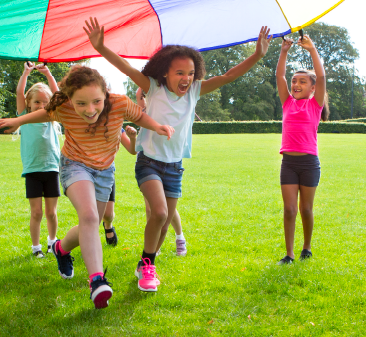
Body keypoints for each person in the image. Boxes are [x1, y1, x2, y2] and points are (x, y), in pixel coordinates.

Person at [85, 17, 270, 291]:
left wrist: (257, 55)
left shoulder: (194, 91)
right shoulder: (153, 88)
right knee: (158, 213)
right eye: (180, 72)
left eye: (191, 72)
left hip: (174, 167)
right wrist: (101, 47)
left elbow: (229, 76)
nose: (186, 78)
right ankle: (149, 264)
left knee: (162, 225)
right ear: (165, 74)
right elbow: (124, 66)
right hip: (149, 162)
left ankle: (146, 264)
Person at [0, 66, 173, 308]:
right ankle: (97, 281)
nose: (90, 110)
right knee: (88, 216)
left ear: (105, 94)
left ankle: (60, 249)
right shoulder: (64, 108)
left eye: (96, 101)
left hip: (104, 171)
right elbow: (43, 114)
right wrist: (17, 120)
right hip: (74, 166)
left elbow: (139, 117)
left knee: (91, 224)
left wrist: (157, 127)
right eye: (81, 104)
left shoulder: (119, 103)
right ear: (70, 101)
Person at [274, 34, 328, 264]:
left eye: (302, 81)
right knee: (289, 210)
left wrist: (312, 50)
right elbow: (279, 76)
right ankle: (289, 253)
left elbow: (322, 75)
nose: (296, 84)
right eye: (294, 81)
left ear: (313, 88)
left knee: (306, 209)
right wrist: (284, 51)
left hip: (308, 164)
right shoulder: (287, 102)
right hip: (289, 164)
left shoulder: (315, 104)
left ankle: (306, 247)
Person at [14, 61, 61, 258]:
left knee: (51, 212)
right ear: (29, 103)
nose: (41, 105)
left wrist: (48, 73)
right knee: (36, 213)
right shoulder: (24, 117)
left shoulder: (52, 116)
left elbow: (59, 95)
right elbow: (19, 93)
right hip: (33, 171)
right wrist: (26, 73)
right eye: (36, 102)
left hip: (52, 169)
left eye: (44, 102)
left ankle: (52, 243)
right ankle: (36, 248)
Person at [136, 88, 187, 257]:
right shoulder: (143, 113)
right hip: (149, 162)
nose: (142, 101)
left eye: (143, 97)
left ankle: (179, 237)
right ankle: (151, 251)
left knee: (165, 211)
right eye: (140, 98)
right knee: (154, 210)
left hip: (170, 162)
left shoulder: (162, 104)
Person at [102, 125, 138, 247]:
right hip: (85, 173)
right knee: (90, 214)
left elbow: (133, 150)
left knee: (108, 215)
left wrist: (132, 138)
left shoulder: (115, 124)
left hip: (107, 172)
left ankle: (108, 225)